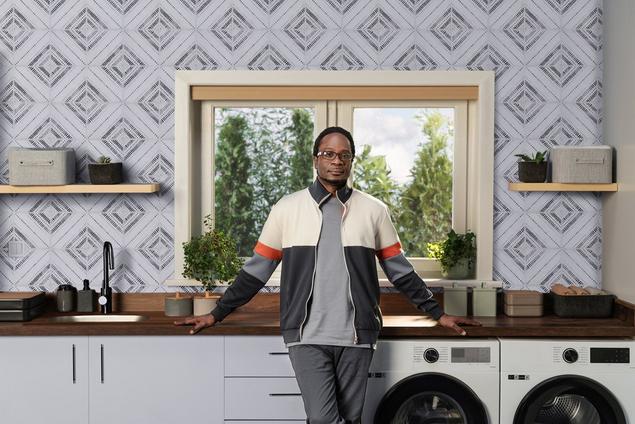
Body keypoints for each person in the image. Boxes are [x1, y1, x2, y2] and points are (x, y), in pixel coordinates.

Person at [175, 126, 481, 424]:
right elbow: (257, 271)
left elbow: (399, 271)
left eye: (344, 155)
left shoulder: (374, 210)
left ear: (351, 160)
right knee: (323, 417)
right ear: (315, 159)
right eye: (328, 153)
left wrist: (438, 313)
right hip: (306, 333)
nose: (337, 161)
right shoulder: (287, 209)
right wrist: (217, 314)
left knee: (351, 417)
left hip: (358, 334)